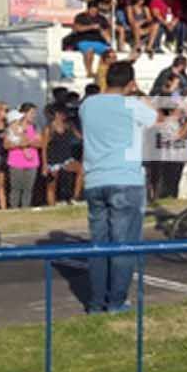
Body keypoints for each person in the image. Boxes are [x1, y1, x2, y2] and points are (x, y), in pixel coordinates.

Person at [80, 61, 156, 313]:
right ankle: (116, 301)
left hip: (95, 178)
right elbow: (154, 118)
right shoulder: (132, 104)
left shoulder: (87, 105)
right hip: (126, 179)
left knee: (100, 244)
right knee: (124, 245)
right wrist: (140, 96)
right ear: (130, 83)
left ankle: (96, 301)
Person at [41, 107, 83, 205]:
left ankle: (75, 198)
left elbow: (80, 138)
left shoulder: (69, 126)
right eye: (62, 113)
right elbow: (44, 148)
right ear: (56, 114)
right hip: (53, 160)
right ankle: (52, 205)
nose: (65, 115)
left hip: (66, 159)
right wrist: (45, 164)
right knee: (51, 185)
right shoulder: (49, 129)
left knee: (81, 170)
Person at [3, 104, 42, 209]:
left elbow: (40, 143)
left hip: (32, 162)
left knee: (28, 189)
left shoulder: (35, 127)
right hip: (16, 162)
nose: (34, 116)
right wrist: (21, 144)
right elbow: (6, 145)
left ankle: (26, 208)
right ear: (23, 114)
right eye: (32, 113)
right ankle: (14, 209)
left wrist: (27, 143)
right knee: (16, 188)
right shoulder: (12, 128)